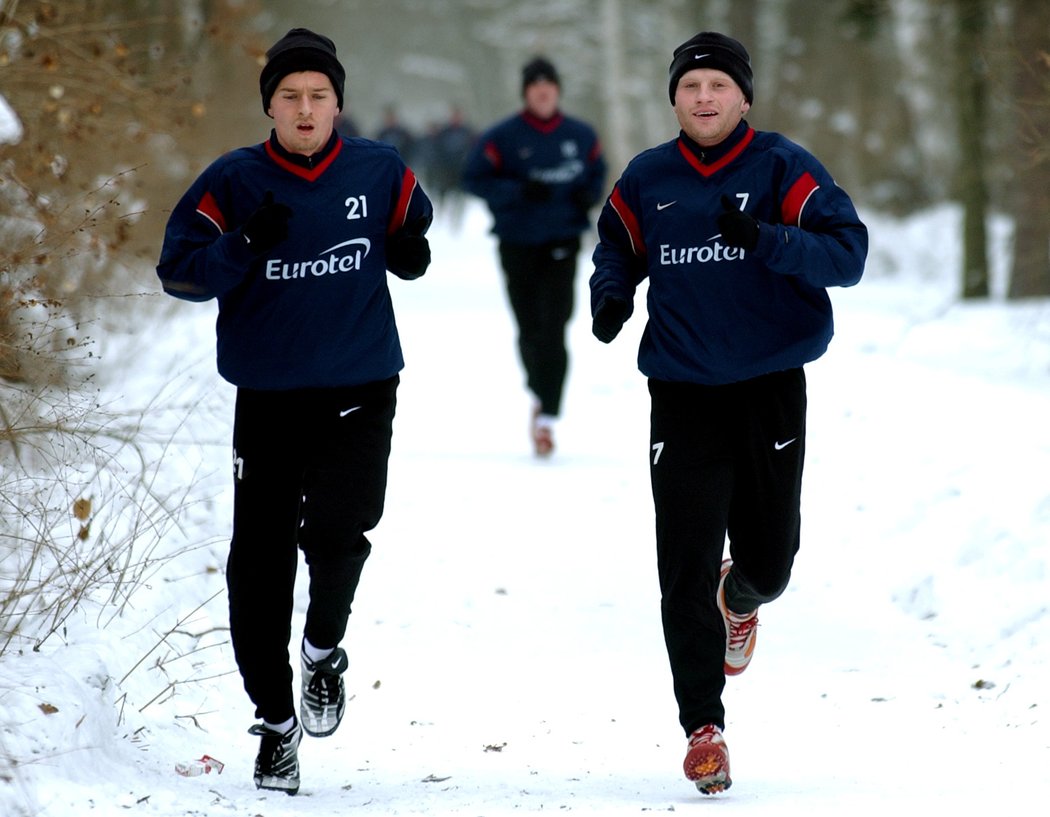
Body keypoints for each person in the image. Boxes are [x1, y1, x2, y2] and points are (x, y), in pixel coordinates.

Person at [156, 27, 433, 795]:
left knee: (341, 530)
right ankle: (276, 722)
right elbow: (179, 273)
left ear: (338, 104)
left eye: (318, 96)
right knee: (260, 559)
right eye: (290, 97)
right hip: (271, 395)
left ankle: (321, 648)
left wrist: (408, 248)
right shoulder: (235, 180)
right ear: (270, 107)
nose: (305, 109)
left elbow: (413, 220)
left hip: (361, 383)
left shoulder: (377, 167)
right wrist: (243, 243)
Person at [589, 32, 867, 794]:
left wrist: (771, 240)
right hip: (681, 392)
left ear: (744, 96)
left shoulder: (783, 167)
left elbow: (848, 254)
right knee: (682, 564)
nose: (704, 99)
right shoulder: (649, 177)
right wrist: (612, 295)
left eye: (718, 86)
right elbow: (615, 246)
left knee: (773, 560)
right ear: (673, 98)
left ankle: (740, 595)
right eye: (690, 87)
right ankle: (702, 727)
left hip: (770, 384)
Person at [463, 57, 606, 457]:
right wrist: (519, 191)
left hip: (562, 240)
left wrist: (589, 195)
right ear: (526, 93)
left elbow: (598, 173)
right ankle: (538, 390)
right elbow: (473, 179)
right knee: (530, 327)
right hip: (518, 242)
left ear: (558, 90)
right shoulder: (502, 137)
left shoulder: (580, 135)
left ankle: (547, 415)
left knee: (555, 326)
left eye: (549, 85)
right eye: (535, 86)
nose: (543, 92)